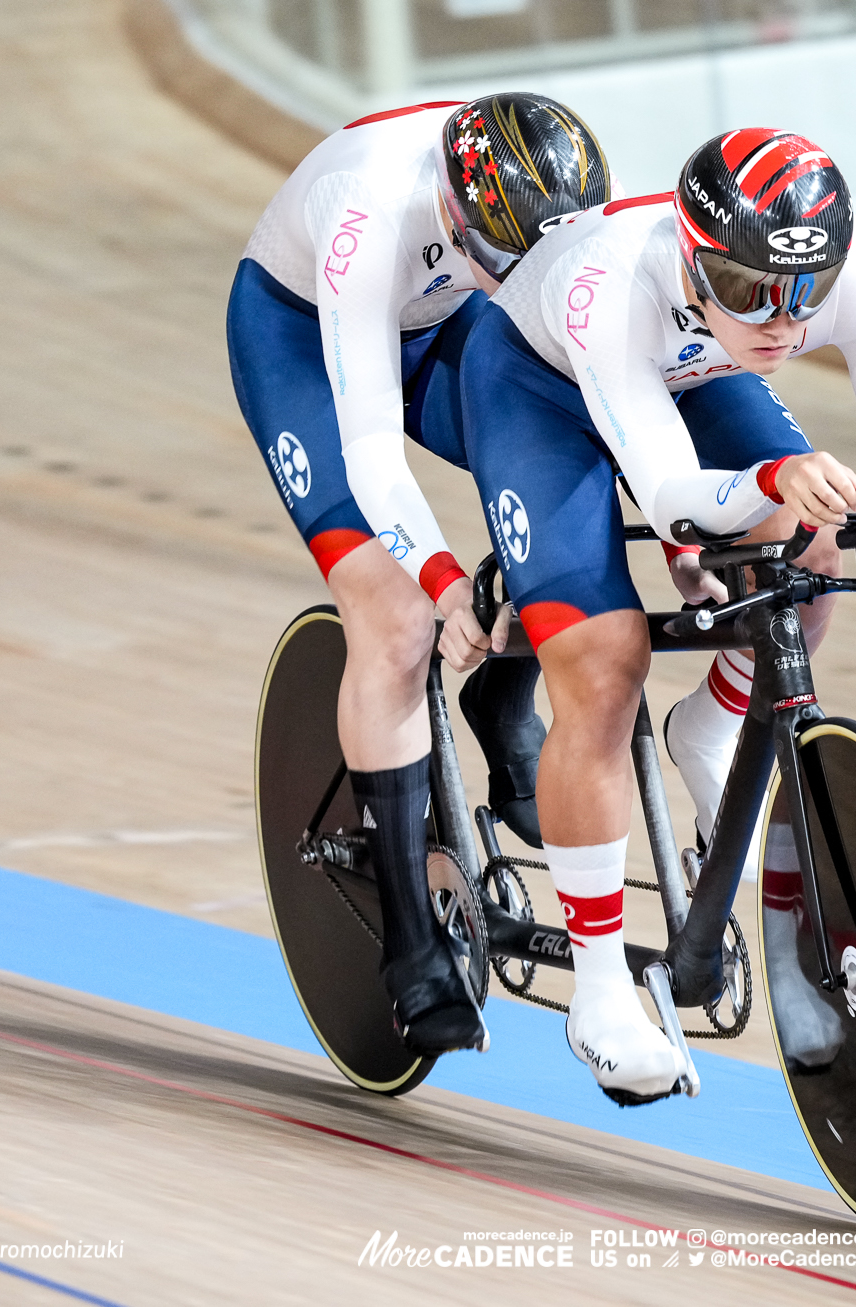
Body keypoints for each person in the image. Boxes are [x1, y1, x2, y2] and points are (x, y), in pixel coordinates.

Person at [457, 129, 856, 1103]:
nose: (780, 320)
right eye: (746, 285)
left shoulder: (853, 272)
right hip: (539, 385)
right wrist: (773, 476)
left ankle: (708, 724)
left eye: (802, 295)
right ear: (688, 252)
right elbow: (671, 492)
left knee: (813, 556)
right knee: (602, 660)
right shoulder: (614, 284)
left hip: (691, 369)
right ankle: (599, 994)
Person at [227, 93, 612, 1056]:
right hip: (305, 338)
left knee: (559, 475)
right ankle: (409, 942)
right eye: (498, 260)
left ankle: (503, 694)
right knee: (395, 625)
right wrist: (442, 582)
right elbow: (371, 455)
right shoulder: (367, 215)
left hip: (435, 316)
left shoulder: (532, 198)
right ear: (450, 207)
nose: (511, 282)